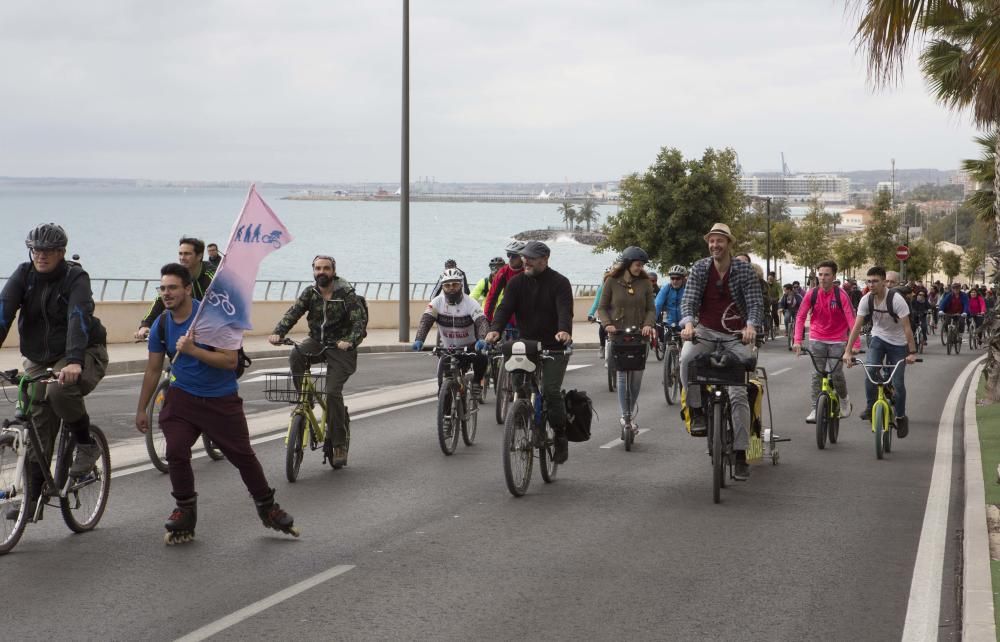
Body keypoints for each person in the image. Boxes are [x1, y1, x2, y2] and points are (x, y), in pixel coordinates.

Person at [136, 263, 296, 543]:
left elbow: (229, 361)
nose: (166, 293)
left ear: (187, 288)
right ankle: (184, 510)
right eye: (162, 288)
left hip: (220, 399)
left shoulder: (214, 318)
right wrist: (142, 408)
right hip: (182, 398)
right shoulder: (162, 323)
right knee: (175, 450)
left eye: (172, 287)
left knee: (243, 457)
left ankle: (267, 507)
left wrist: (193, 349)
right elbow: (152, 369)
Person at [0, 223, 109, 518]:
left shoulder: (76, 277)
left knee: (59, 391)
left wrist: (74, 360)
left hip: (83, 350)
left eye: (48, 251)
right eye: (36, 249)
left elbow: (78, 317)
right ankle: (32, 500)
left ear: (61, 252)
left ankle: (86, 445)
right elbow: (3, 312)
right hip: (40, 357)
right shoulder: (23, 275)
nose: (41, 256)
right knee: (36, 417)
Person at [679, 223, 762, 481]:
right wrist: (689, 324)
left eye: (720, 241)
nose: (715, 245)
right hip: (704, 331)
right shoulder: (700, 268)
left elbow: (755, 302)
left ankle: (740, 454)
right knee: (685, 359)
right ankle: (697, 411)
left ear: (729, 243)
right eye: (711, 241)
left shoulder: (743, 271)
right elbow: (689, 299)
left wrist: (750, 327)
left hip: (736, 335)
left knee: (738, 394)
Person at [268, 255, 367, 468]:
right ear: (313, 270)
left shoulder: (346, 294)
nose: (321, 272)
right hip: (316, 342)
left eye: (326, 268)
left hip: (341, 347)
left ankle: (339, 444)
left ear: (333, 271)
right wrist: (278, 332)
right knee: (296, 355)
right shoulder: (310, 293)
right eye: (318, 268)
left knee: (332, 393)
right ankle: (305, 399)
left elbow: (359, 323)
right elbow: (293, 313)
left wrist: (349, 341)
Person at [485, 241, 573, 463]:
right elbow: (504, 308)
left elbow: (565, 309)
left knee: (551, 391)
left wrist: (563, 330)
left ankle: (560, 436)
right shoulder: (516, 283)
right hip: (526, 345)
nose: (525, 261)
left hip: (554, 346)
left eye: (531, 258)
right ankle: (524, 416)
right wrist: (495, 330)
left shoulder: (560, 283)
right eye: (524, 257)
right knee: (520, 386)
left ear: (544, 260)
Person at [843, 266, 918, 438]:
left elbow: (907, 328)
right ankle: (870, 407)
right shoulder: (866, 299)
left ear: (884, 282)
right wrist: (848, 352)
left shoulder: (896, 300)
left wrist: (912, 352)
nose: (871, 285)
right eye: (869, 281)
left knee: (898, 382)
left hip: (898, 343)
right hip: (878, 338)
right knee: (870, 370)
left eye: (876, 281)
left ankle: (900, 416)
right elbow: (856, 326)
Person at [596, 246, 656, 433]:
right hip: (618, 335)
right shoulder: (611, 282)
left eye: (642, 265)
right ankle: (626, 416)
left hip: (640, 336)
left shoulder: (645, 283)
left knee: (636, 378)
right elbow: (602, 307)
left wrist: (648, 324)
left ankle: (629, 412)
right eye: (637, 264)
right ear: (628, 264)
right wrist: (607, 324)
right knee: (622, 377)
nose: (640, 268)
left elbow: (651, 309)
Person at [793, 260, 856, 423]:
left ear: (834, 276)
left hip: (838, 340)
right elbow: (800, 317)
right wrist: (797, 340)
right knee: (817, 375)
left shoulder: (841, 295)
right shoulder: (811, 294)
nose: (822, 278)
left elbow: (852, 320)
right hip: (817, 338)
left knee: (836, 374)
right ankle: (815, 408)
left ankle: (844, 400)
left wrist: (854, 346)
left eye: (826, 275)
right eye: (820, 274)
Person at [412, 268, 490, 397]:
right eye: (447, 285)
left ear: (461, 285)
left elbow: (482, 322)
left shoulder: (470, 303)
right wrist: (419, 339)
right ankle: (446, 411)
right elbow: (426, 321)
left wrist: (482, 339)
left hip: (469, 348)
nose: (451, 288)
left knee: (481, 357)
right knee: (443, 385)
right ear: (443, 287)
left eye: (455, 284)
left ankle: (476, 383)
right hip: (448, 349)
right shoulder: (437, 302)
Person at [135, 237, 216, 340]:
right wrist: (145, 325)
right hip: (190, 327)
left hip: (213, 329)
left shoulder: (212, 276)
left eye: (187, 254)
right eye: (180, 253)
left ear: (199, 256)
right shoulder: (179, 274)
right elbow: (161, 299)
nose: (182, 257)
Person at [483, 241, 525, 321]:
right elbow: (492, 296)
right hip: (508, 316)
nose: (510, 258)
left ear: (522, 257)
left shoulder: (529, 270)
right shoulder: (503, 271)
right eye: (509, 255)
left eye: (514, 256)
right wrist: (488, 319)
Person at [655, 264, 688, 337]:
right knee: (665, 341)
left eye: (677, 278)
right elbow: (657, 304)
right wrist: (652, 321)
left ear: (683, 279)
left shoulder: (687, 288)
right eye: (672, 278)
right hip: (670, 323)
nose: (674, 281)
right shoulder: (666, 288)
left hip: (686, 324)